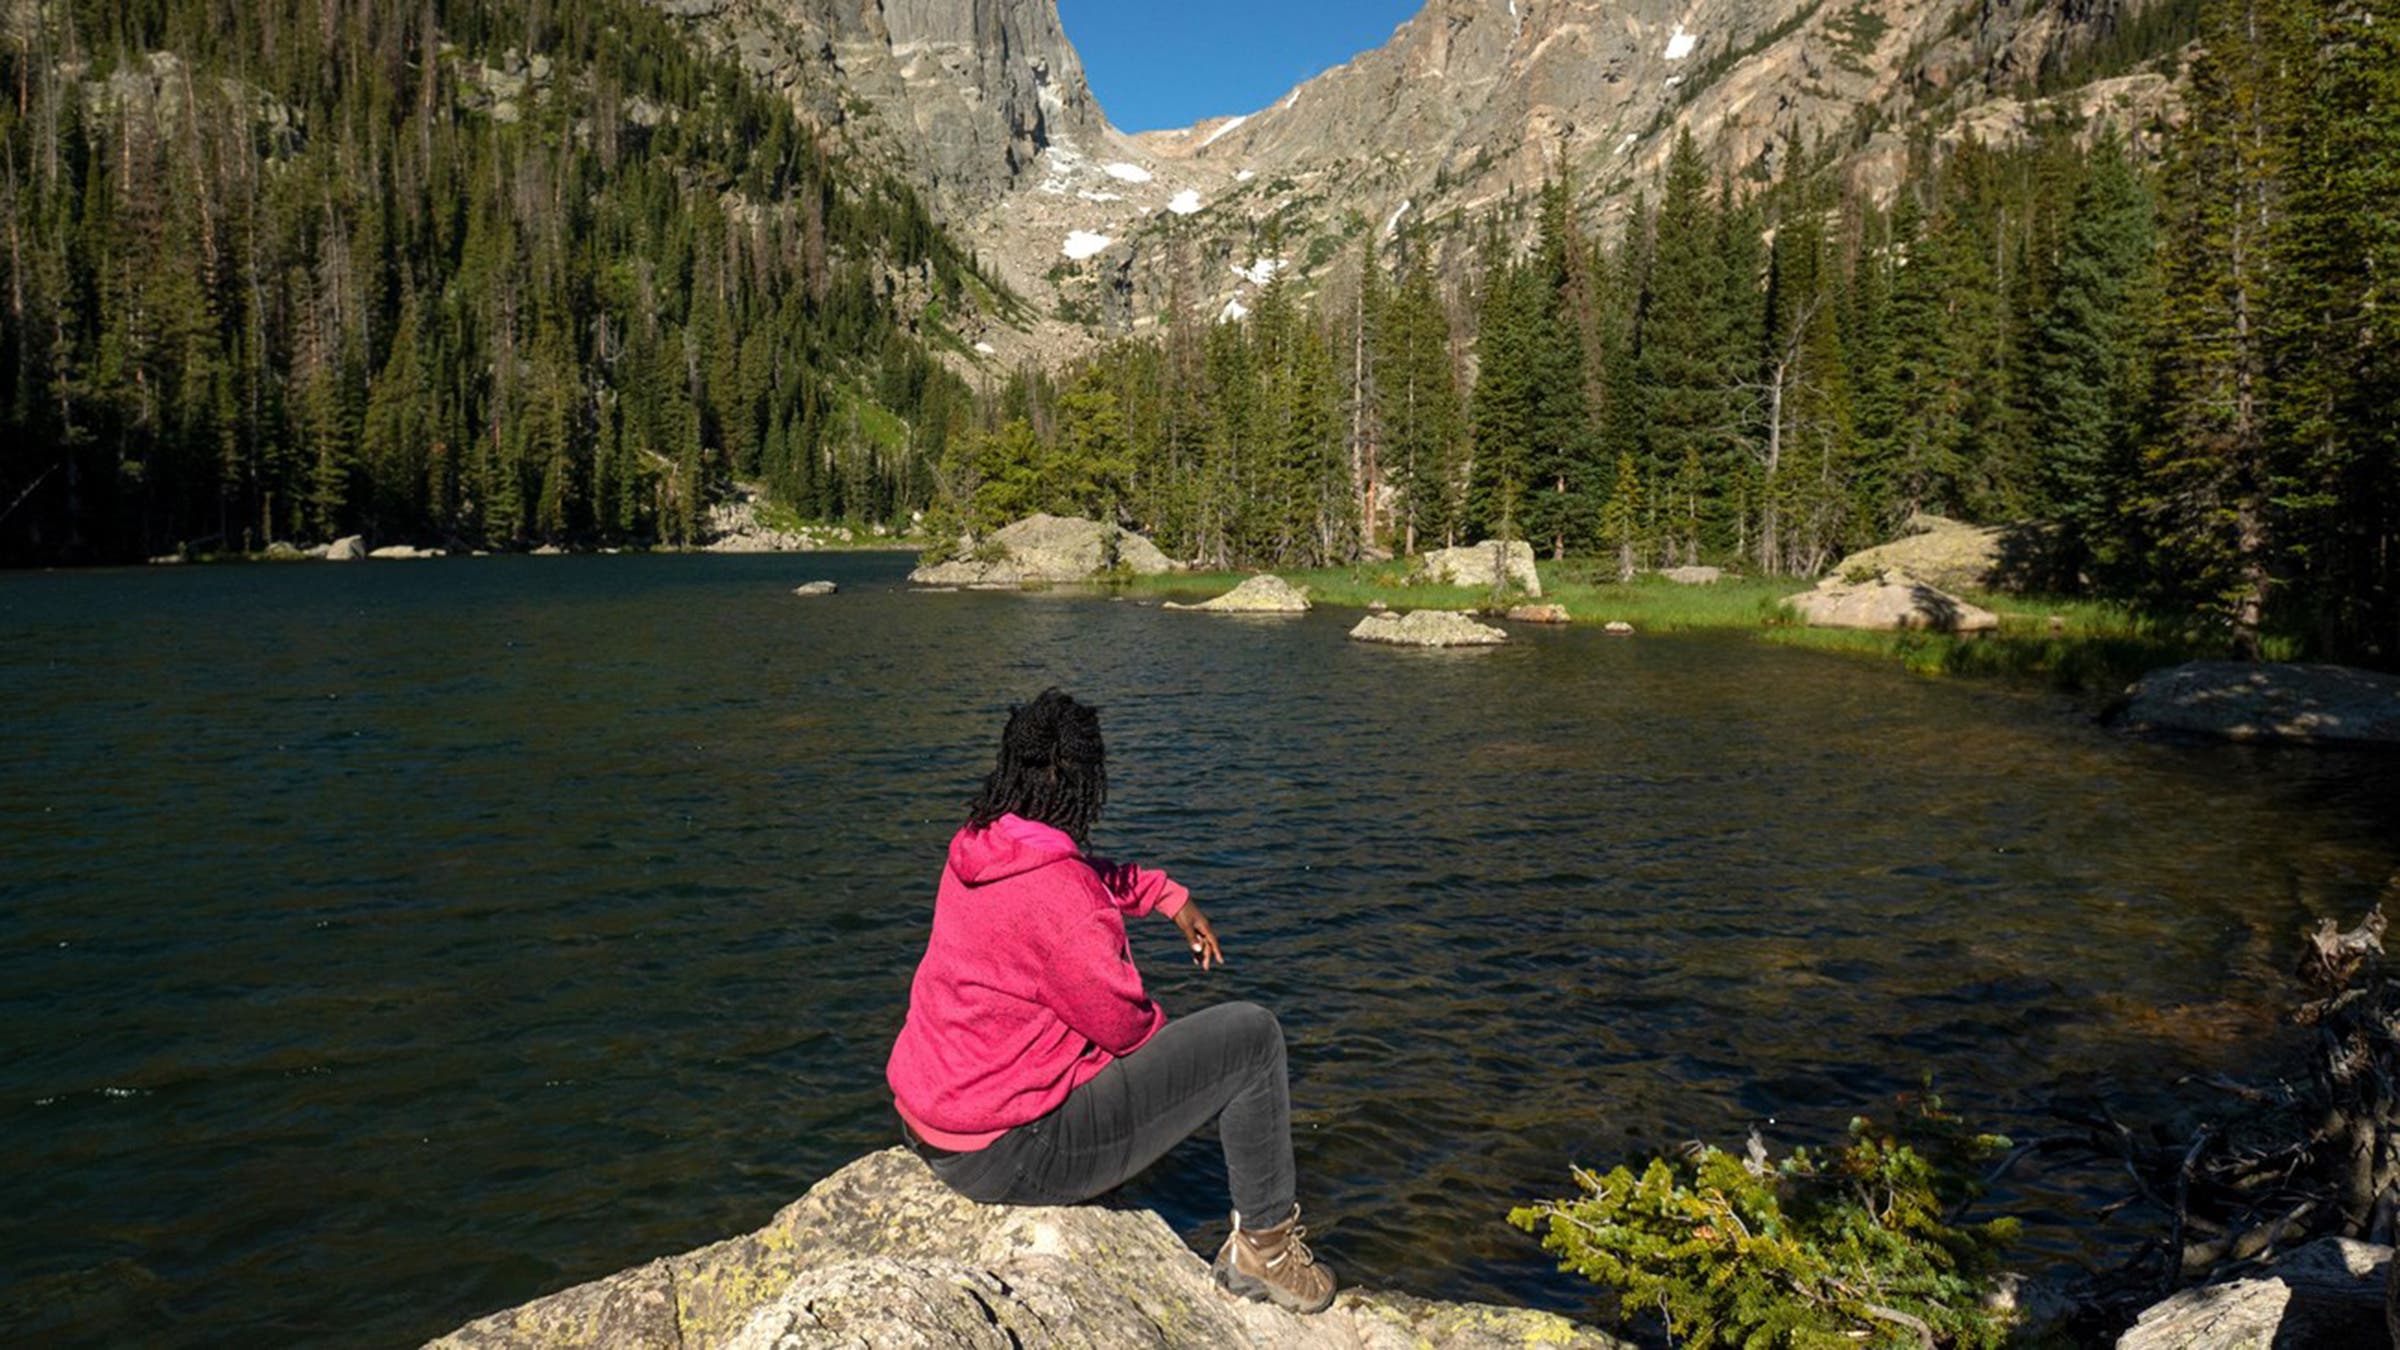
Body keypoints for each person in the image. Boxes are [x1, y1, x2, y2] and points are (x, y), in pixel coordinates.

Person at [885, 688, 1337, 1314]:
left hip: (928, 1120)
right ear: (1087, 783)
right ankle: (1266, 1249)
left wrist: (1162, 894)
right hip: (1005, 1155)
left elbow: (1068, 871)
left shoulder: (978, 843)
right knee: (1251, 1040)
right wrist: (1180, 1070)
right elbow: (1127, 1029)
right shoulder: (1066, 903)